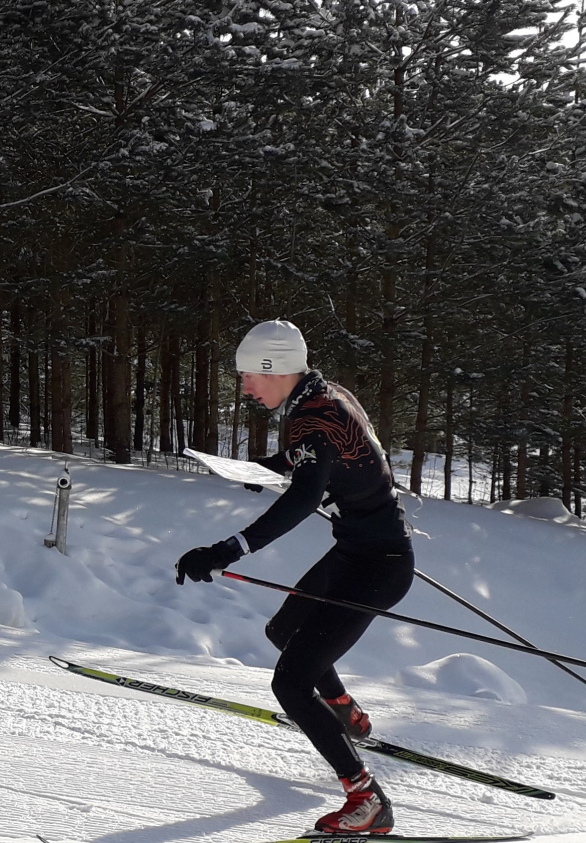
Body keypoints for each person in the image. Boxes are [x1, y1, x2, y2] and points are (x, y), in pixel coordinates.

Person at [176, 319, 415, 835]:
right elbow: (325, 460)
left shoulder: (313, 417)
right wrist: (270, 465)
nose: (243, 386)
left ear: (274, 368)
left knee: (290, 680)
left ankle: (367, 799)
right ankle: (346, 714)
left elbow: (306, 497)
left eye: (247, 375)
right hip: (357, 552)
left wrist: (226, 550)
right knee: (282, 633)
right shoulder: (325, 395)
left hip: (379, 568)